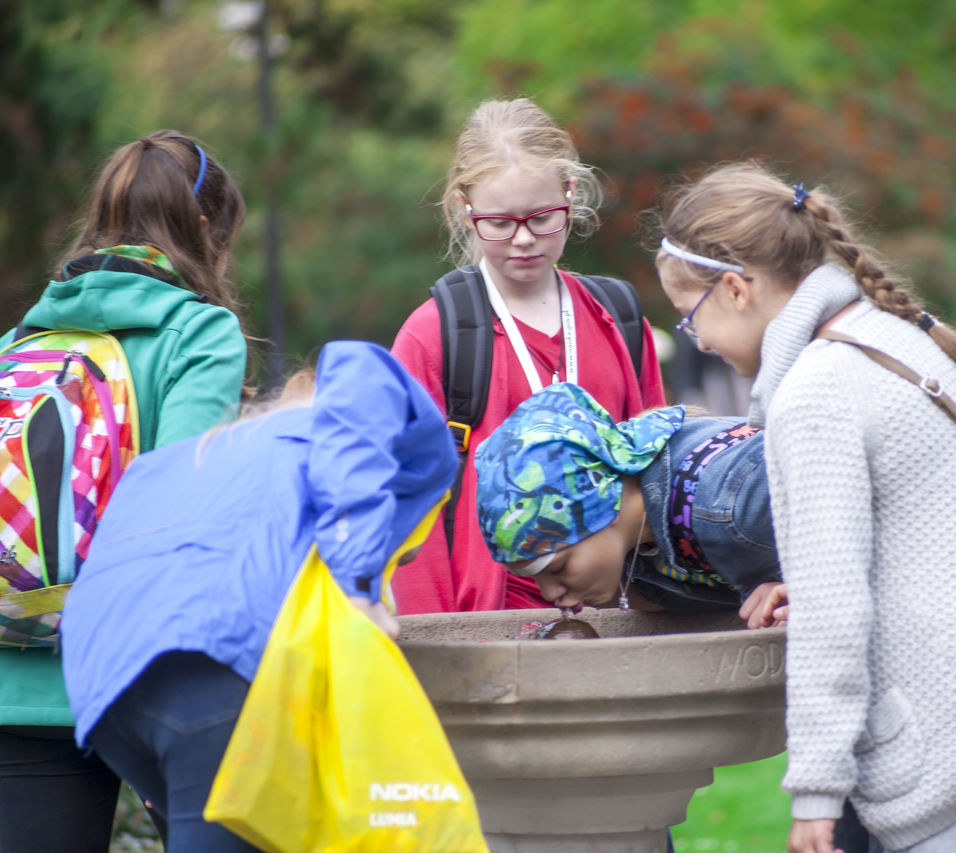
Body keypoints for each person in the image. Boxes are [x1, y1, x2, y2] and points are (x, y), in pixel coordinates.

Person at [654, 163, 956, 853]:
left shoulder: (815, 391)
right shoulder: (890, 334)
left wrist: (817, 790)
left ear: (735, 288)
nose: (694, 339)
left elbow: (835, 611)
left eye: (690, 315)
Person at [59, 341, 456, 851]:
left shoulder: (201, 457)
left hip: (104, 686)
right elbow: (361, 369)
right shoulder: (347, 427)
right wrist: (360, 589)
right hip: (211, 663)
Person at [0, 130, 249, 853]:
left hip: (14, 677)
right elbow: (177, 517)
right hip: (136, 679)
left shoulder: (18, 342)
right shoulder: (200, 334)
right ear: (206, 229)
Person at [391, 97, 666, 615]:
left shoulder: (620, 320)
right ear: (463, 209)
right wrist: (436, 645)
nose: (523, 240)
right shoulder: (432, 337)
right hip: (489, 625)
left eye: (543, 217)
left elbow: (656, 475)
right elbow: (412, 513)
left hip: (617, 618)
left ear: (572, 194)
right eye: (499, 223)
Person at [473, 382, 781, 617]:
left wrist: (807, 586)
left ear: (600, 506)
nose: (555, 596)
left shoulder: (732, 501)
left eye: (558, 568)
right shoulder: (638, 552)